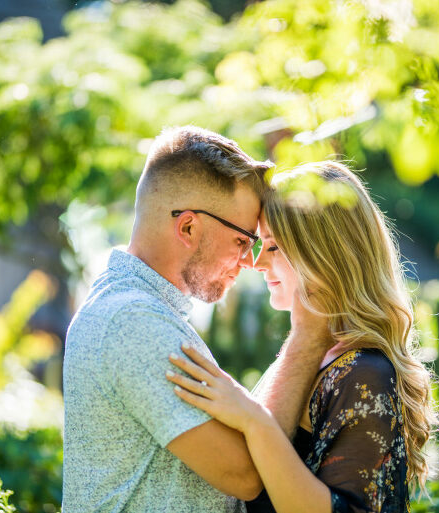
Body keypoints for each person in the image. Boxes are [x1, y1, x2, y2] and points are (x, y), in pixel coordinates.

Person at [62, 127, 335, 513]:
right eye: (243, 240)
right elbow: (245, 475)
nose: (250, 261)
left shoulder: (135, 309)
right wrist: (306, 340)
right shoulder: (132, 323)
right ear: (188, 227)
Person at [165, 161, 439, 513]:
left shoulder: (364, 373)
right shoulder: (319, 359)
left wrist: (253, 419)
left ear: (324, 254)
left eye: (274, 246)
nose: (256, 262)